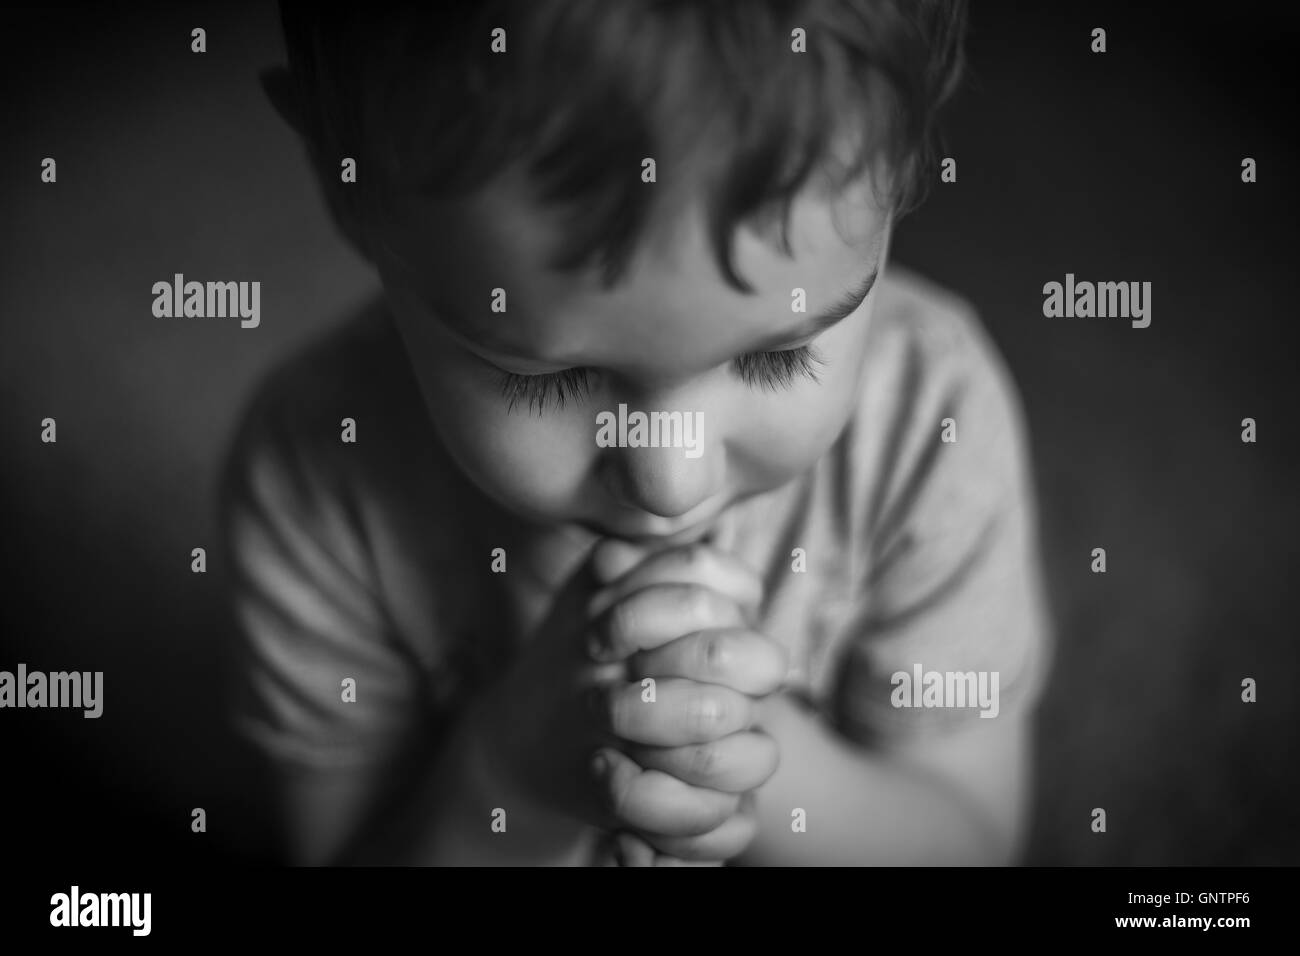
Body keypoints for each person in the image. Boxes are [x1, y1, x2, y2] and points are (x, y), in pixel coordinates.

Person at [218, 0, 1053, 866]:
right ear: (341, 181)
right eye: (547, 378)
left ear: (908, 161)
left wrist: (742, 757)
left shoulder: (928, 425)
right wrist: (508, 778)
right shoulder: (318, 475)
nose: (670, 481)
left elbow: (971, 841)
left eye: (777, 360)